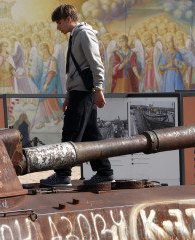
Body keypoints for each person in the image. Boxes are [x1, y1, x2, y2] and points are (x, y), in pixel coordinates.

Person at [40, 4, 114, 187]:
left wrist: (98, 88)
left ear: (67, 19)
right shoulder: (75, 36)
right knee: (91, 136)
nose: (57, 27)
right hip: (78, 93)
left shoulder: (84, 34)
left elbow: (96, 63)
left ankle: (63, 174)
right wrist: (68, 95)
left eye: (59, 22)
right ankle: (104, 172)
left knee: (70, 132)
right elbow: (74, 70)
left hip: (84, 93)